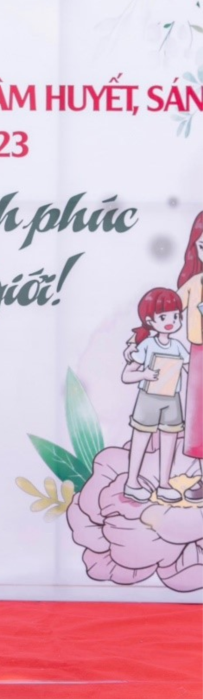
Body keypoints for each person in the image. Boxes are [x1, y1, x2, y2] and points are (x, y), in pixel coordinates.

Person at [121, 288, 188, 503]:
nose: (171, 321)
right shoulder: (147, 345)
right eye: (164, 317)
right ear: (150, 320)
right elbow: (126, 375)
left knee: (169, 440)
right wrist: (144, 374)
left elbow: (191, 367)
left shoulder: (178, 346)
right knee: (141, 438)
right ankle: (132, 483)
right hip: (148, 398)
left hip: (172, 399)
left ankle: (164, 485)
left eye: (176, 316)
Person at [176, 212, 203, 500]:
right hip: (199, 355)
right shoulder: (195, 283)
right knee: (199, 420)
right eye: (202, 246)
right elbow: (170, 306)